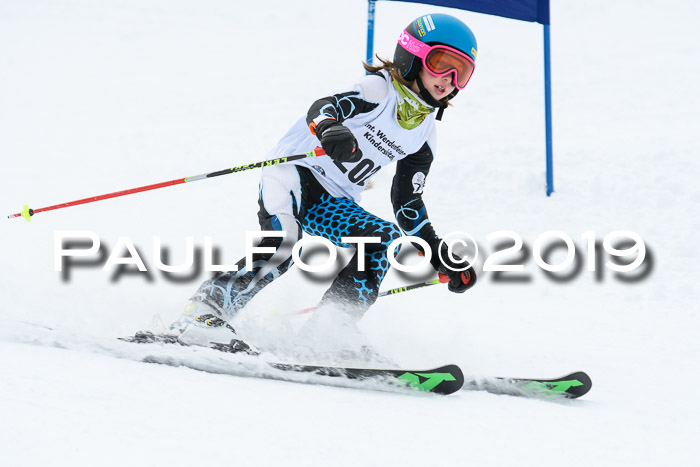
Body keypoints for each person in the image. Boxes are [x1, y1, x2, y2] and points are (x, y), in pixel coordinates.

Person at [168, 13, 478, 352]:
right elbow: (324, 107)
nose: (449, 80)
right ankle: (201, 313)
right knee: (285, 243)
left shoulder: (424, 134)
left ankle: (328, 331)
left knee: (382, 240)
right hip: (294, 174)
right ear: (413, 55)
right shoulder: (378, 90)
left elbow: (407, 203)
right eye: (440, 63)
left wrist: (436, 252)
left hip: (334, 200)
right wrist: (329, 127)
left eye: (460, 72)